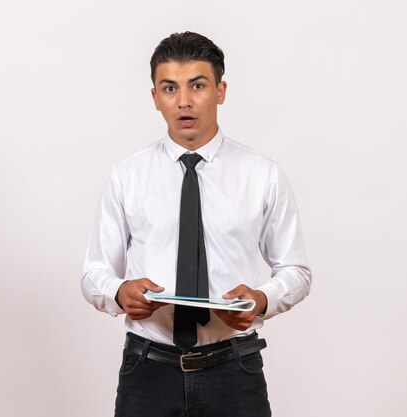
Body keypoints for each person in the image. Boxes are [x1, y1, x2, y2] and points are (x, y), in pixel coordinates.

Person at [81, 31, 311, 417]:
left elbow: (296, 270)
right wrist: (120, 292)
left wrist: (262, 299)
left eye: (198, 85)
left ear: (220, 91)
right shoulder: (127, 176)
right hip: (148, 370)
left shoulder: (262, 175)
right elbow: (94, 273)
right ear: (155, 97)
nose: (184, 101)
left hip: (234, 369)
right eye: (169, 88)